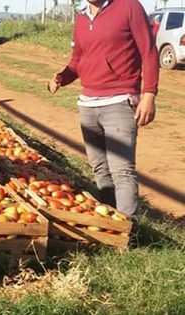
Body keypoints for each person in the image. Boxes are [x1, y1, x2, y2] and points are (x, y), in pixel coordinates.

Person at [48, 0, 158, 242]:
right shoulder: (81, 18)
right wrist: (62, 78)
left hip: (119, 101)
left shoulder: (128, 7)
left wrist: (148, 94)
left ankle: (130, 232)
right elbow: (78, 60)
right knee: (100, 168)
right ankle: (111, 226)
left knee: (122, 170)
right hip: (88, 103)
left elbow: (149, 51)